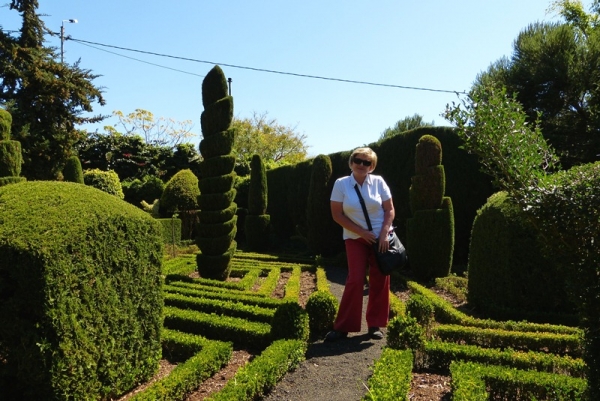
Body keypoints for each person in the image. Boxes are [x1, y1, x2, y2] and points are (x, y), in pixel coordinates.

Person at [325, 147, 395, 341]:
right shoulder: (341, 184)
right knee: (355, 279)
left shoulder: (378, 182)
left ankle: (375, 325)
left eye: (367, 162)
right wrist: (362, 232)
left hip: (380, 237)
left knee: (380, 279)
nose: (362, 165)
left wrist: (383, 234)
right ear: (351, 162)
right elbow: (337, 214)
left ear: (372, 166)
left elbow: (389, 210)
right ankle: (344, 326)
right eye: (358, 160)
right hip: (355, 237)